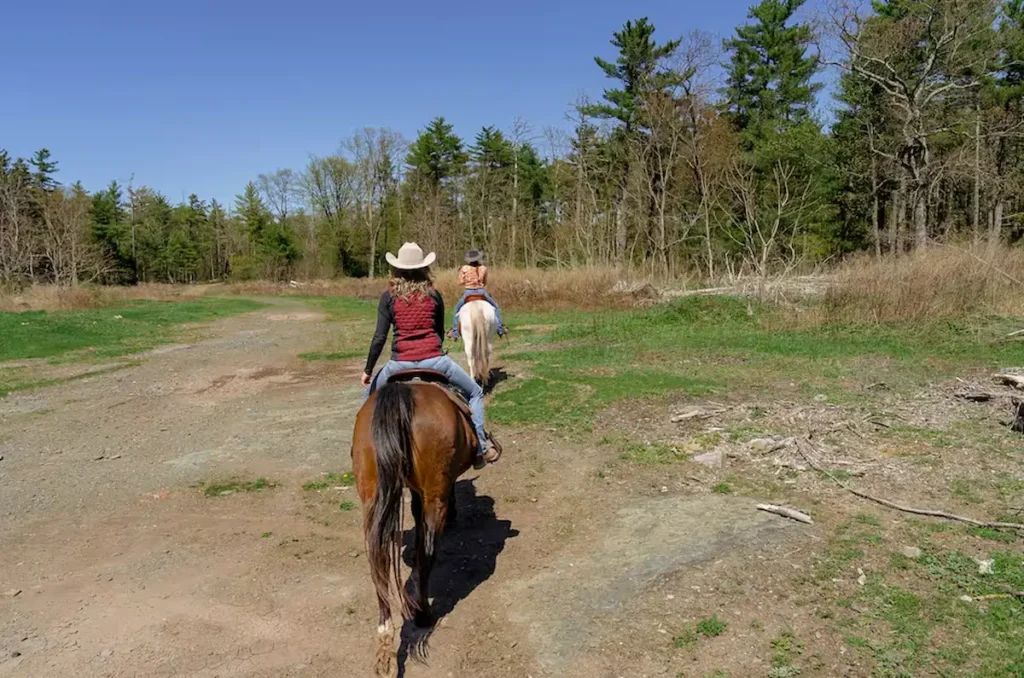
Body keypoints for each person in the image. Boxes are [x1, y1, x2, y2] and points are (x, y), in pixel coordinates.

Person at [362, 242, 500, 466]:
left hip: (398, 364)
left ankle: (366, 452)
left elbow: (379, 338)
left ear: (397, 269)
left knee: (368, 399)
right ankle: (482, 448)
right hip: (435, 360)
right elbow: (438, 332)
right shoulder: (434, 295)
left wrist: (368, 371)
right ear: (424, 268)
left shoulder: (388, 297)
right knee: (474, 392)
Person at [447, 249, 507, 340]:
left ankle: (455, 333)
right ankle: (500, 329)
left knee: (456, 310)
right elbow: (485, 282)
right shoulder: (483, 268)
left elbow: (459, 282)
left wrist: (467, 281)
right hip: (481, 292)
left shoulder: (464, 268)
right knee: (496, 307)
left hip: (468, 293)